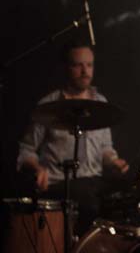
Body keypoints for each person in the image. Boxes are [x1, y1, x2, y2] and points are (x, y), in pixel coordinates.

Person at [17, 40, 129, 234]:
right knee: (87, 199)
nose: (85, 71)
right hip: (60, 185)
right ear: (67, 68)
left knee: (128, 198)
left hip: (93, 182)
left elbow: (105, 149)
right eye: (78, 65)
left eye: (89, 65)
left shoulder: (101, 103)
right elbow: (26, 150)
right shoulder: (48, 106)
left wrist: (113, 161)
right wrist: (37, 169)